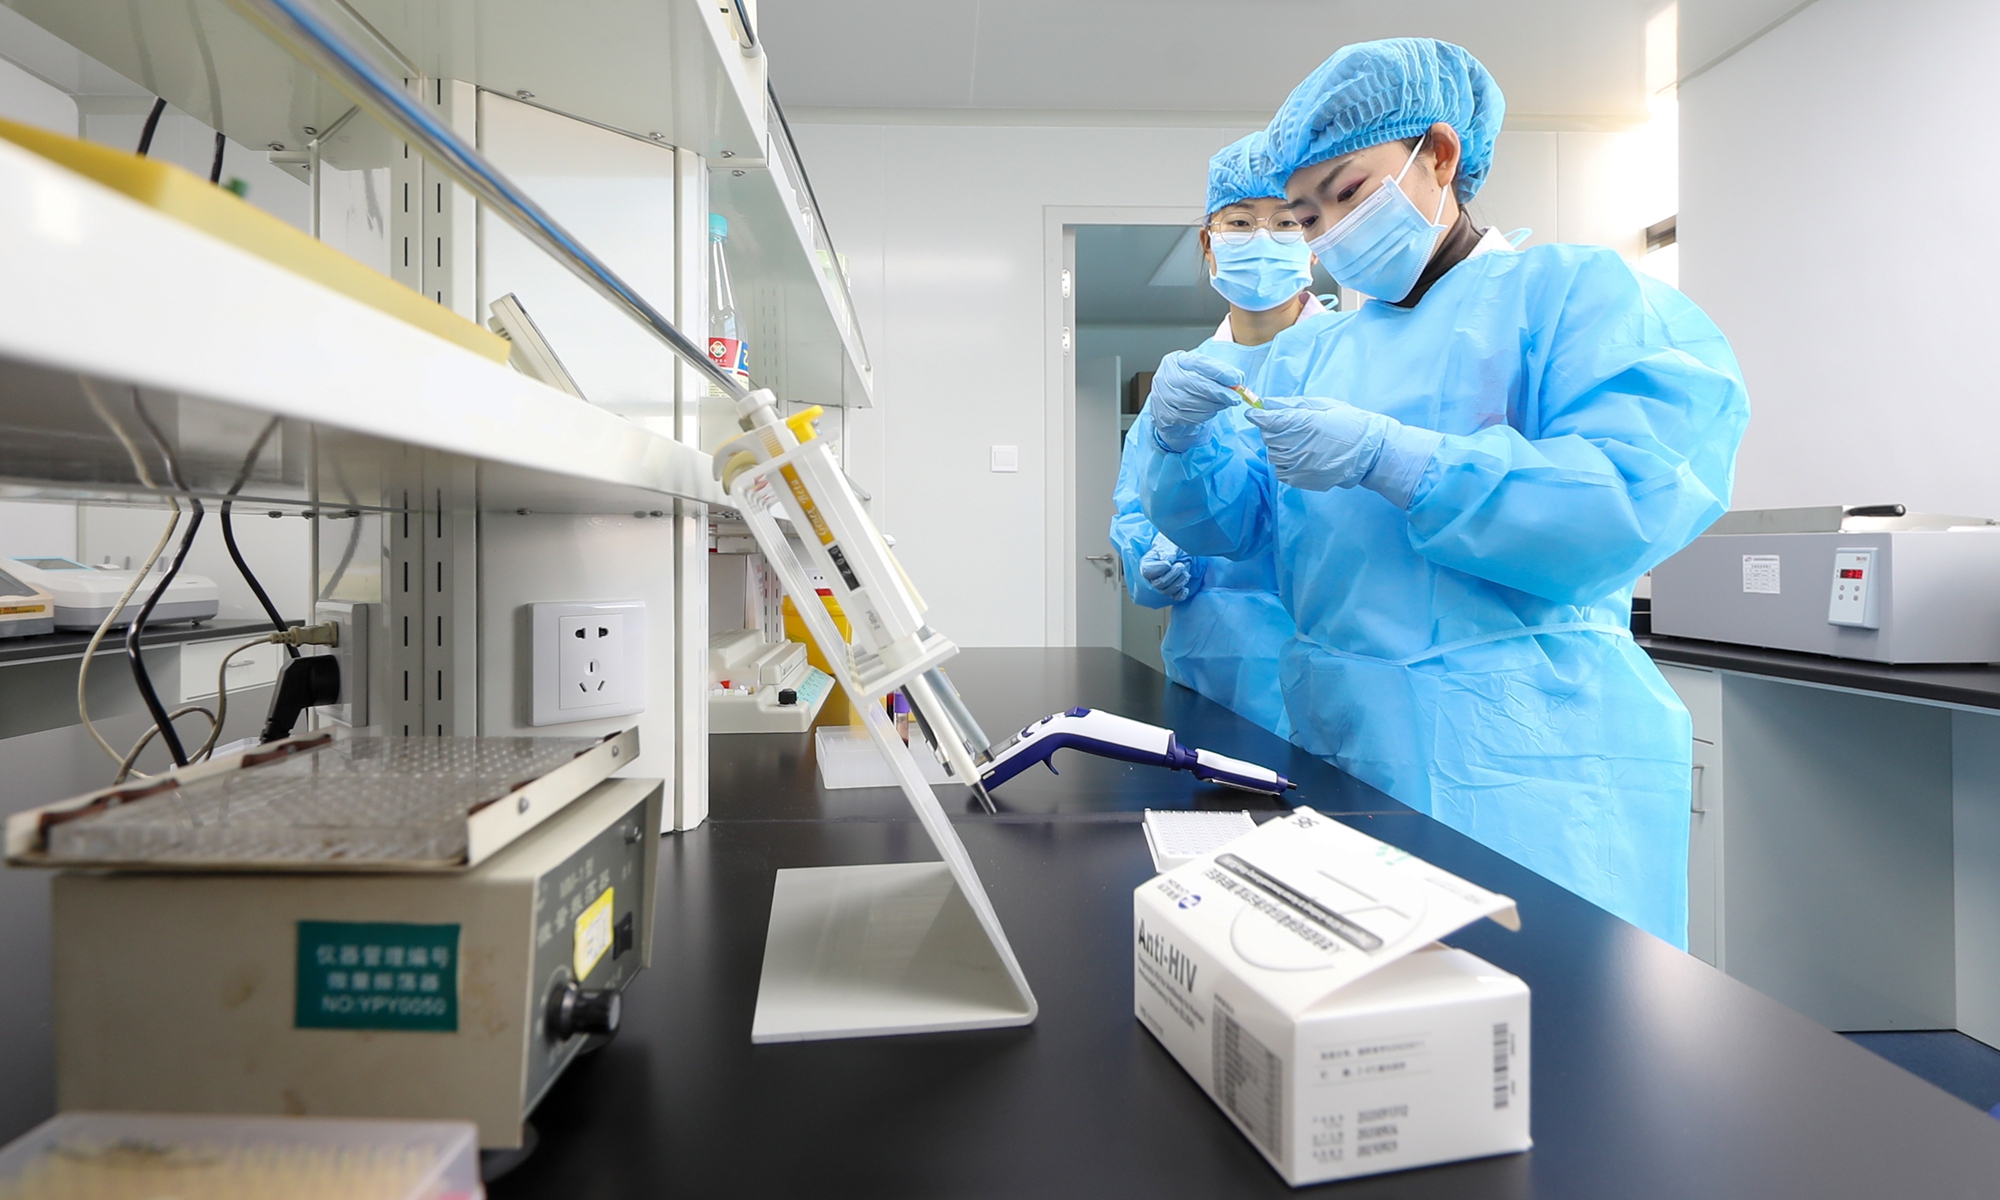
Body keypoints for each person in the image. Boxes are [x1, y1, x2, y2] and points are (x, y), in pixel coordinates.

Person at [1133, 38, 1750, 947]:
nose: (1330, 231)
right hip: (1341, 735)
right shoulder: (1314, 348)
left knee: (1554, 1038)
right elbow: (1248, 531)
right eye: (1307, 217)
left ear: (1441, 155)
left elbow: (1628, 498)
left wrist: (1401, 460)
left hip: (1524, 760)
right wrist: (1179, 444)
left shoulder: (1574, 297)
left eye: (1345, 192)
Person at [1109, 133, 1324, 739]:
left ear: (1313, 241)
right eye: (1239, 223)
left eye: (1286, 222)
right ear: (1208, 246)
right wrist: (1147, 562)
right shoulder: (1181, 387)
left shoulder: (1353, 362)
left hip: (1337, 664)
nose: (1262, 240)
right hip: (1212, 667)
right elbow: (1135, 509)